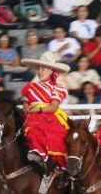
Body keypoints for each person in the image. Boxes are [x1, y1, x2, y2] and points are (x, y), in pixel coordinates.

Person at [21, 51, 72, 179]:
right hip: (31, 116)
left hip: (48, 116)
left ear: (51, 71)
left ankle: (59, 169)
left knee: (56, 137)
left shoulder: (57, 87)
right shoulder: (31, 87)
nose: (40, 72)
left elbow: (53, 107)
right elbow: (25, 103)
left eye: (44, 69)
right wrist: (27, 107)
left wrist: (38, 110)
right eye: (39, 68)